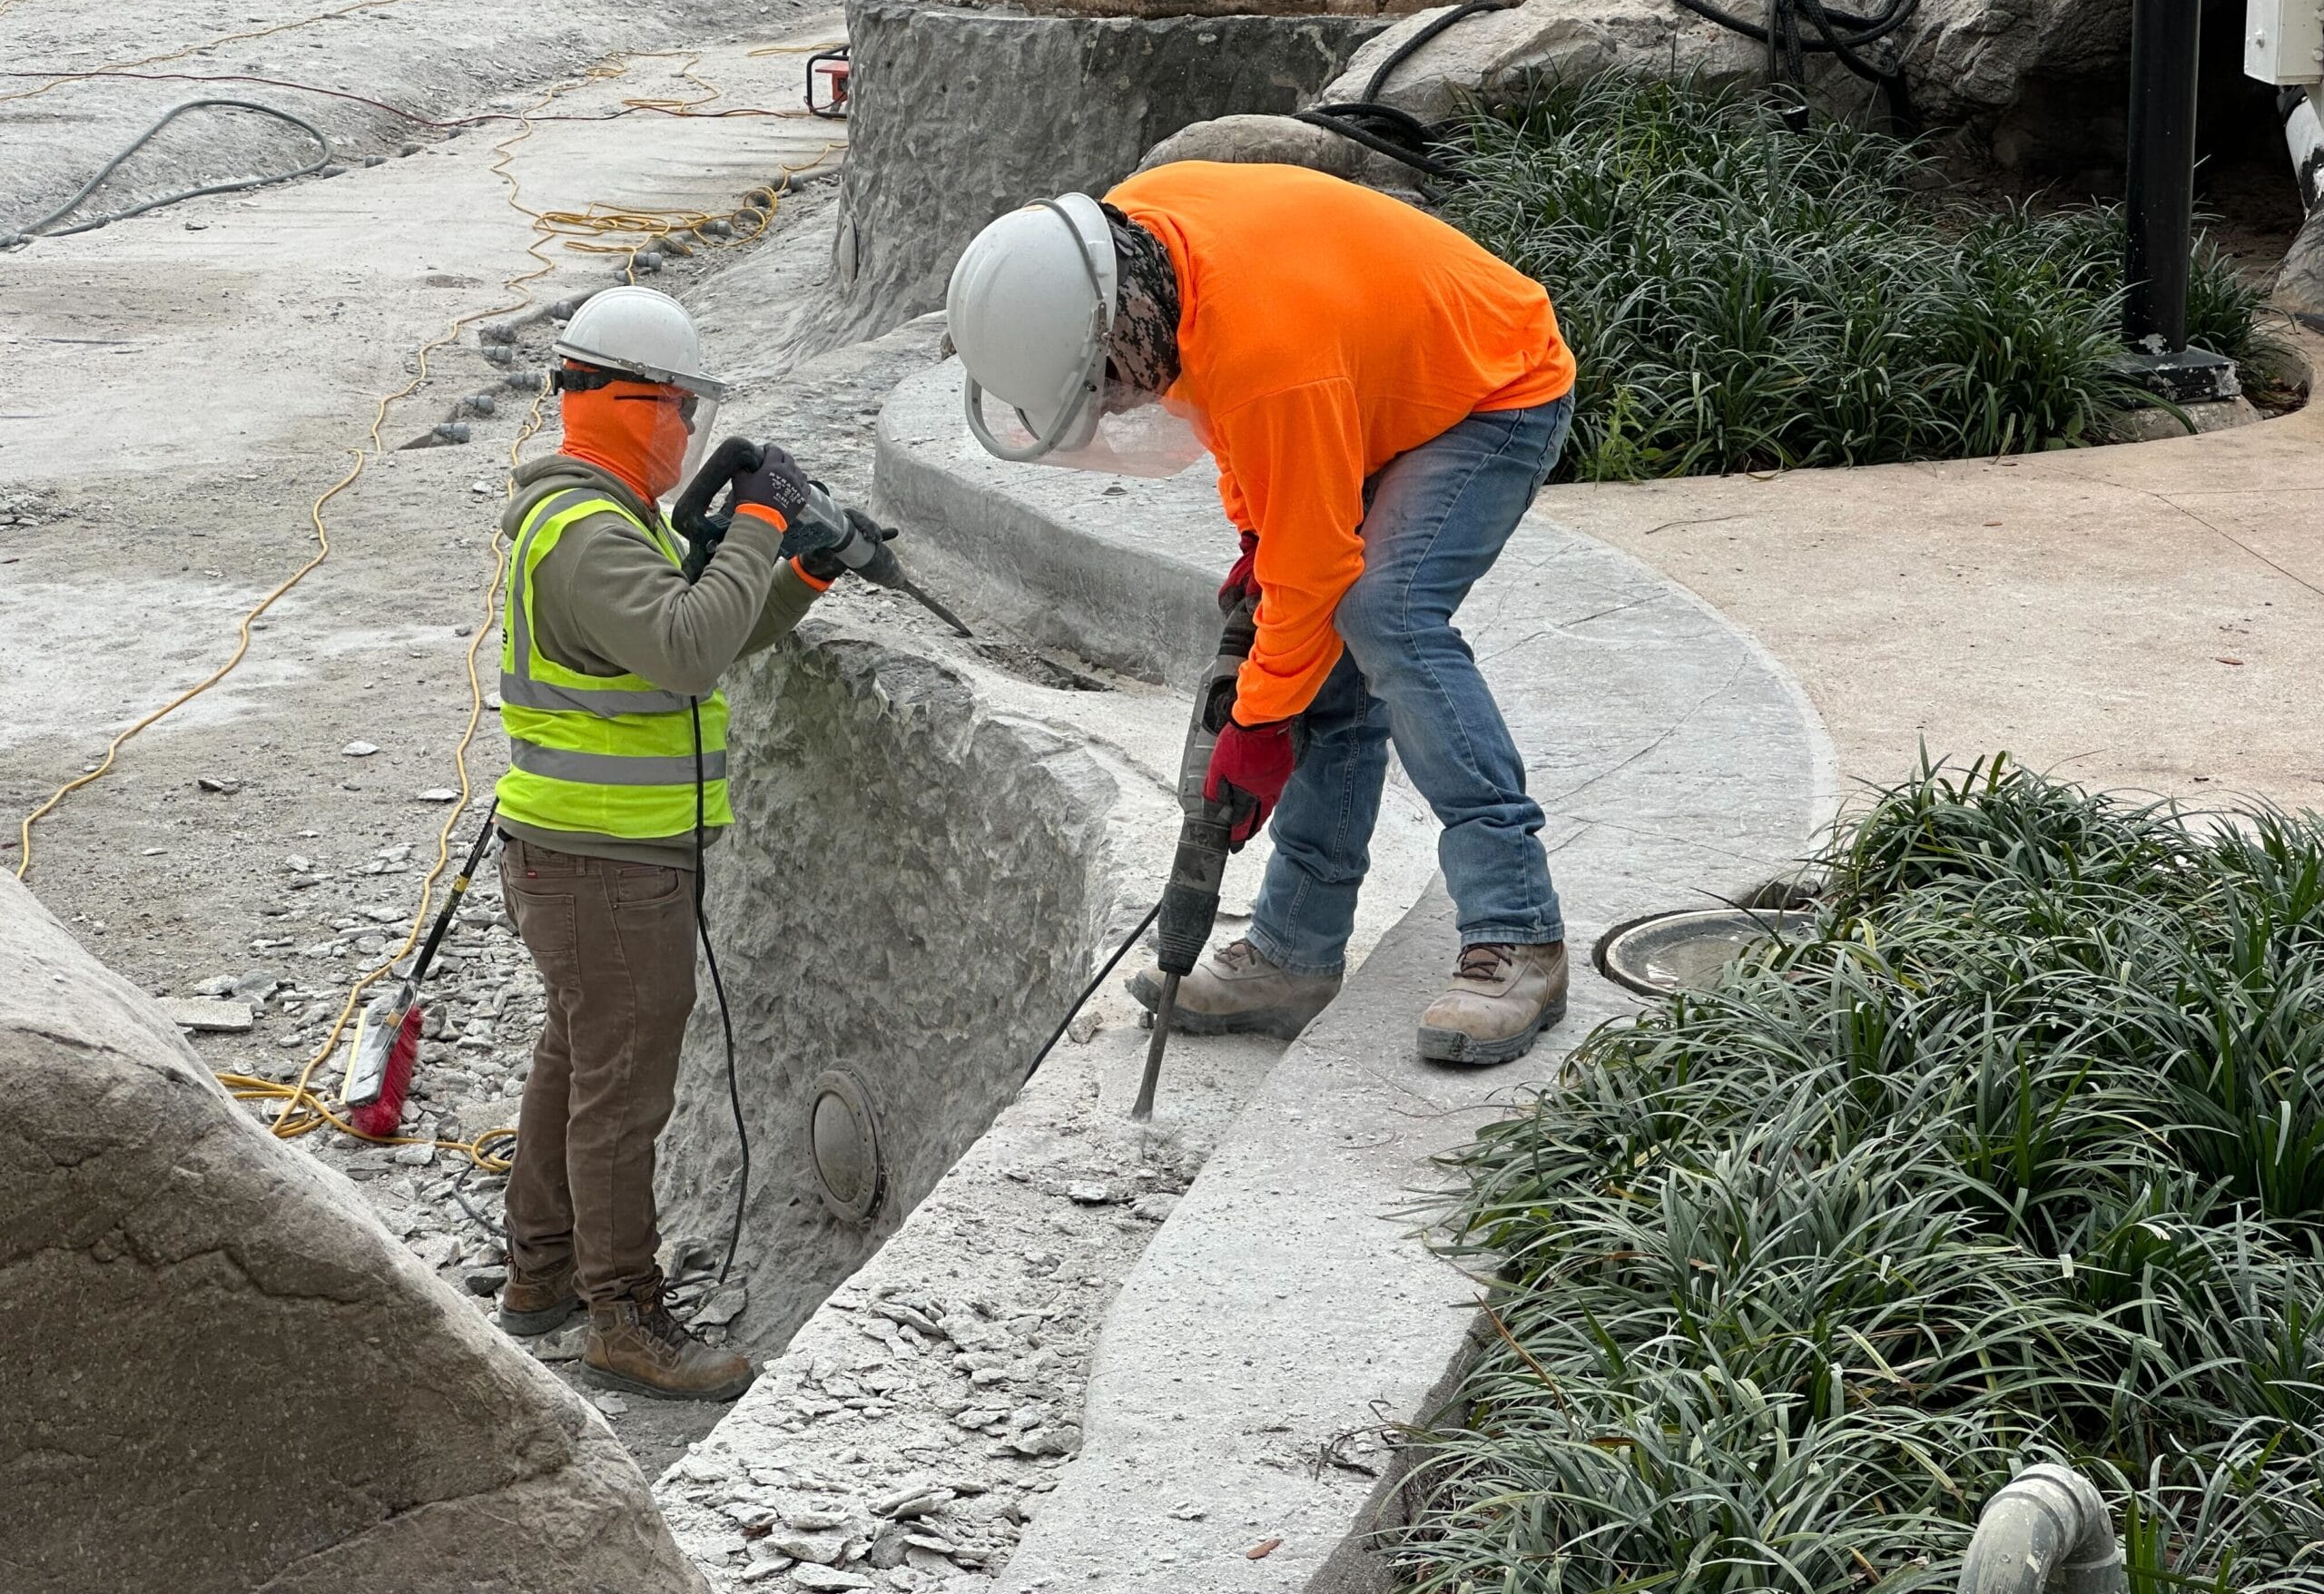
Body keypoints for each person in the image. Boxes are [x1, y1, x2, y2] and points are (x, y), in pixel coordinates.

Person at [946, 162, 1578, 1065]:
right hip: (1365, 382)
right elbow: (1236, 424)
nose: (1123, 404)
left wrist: (1254, 723)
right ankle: (1293, 954)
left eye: (1111, 387)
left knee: (1380, 612)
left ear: (1113, 328)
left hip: (1490, 386)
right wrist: (1258, 534)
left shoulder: (1257, 350)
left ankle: (1519, 930)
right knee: (1321, 665)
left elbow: (1315, 560)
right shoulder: (1130, 260)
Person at [489, 285, 839, 1400]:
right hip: (604, 864)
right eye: (682, 409)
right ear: (638, 402)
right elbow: (688, 648)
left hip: (590, 857)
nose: (688, 433)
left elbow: (698, 640)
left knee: (578, 1061)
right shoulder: (587, 531)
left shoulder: (601, 518)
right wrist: (761, 522)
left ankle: (540, 1278)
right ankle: (622, 1320)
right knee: (622, 1093)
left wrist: (803, 575)